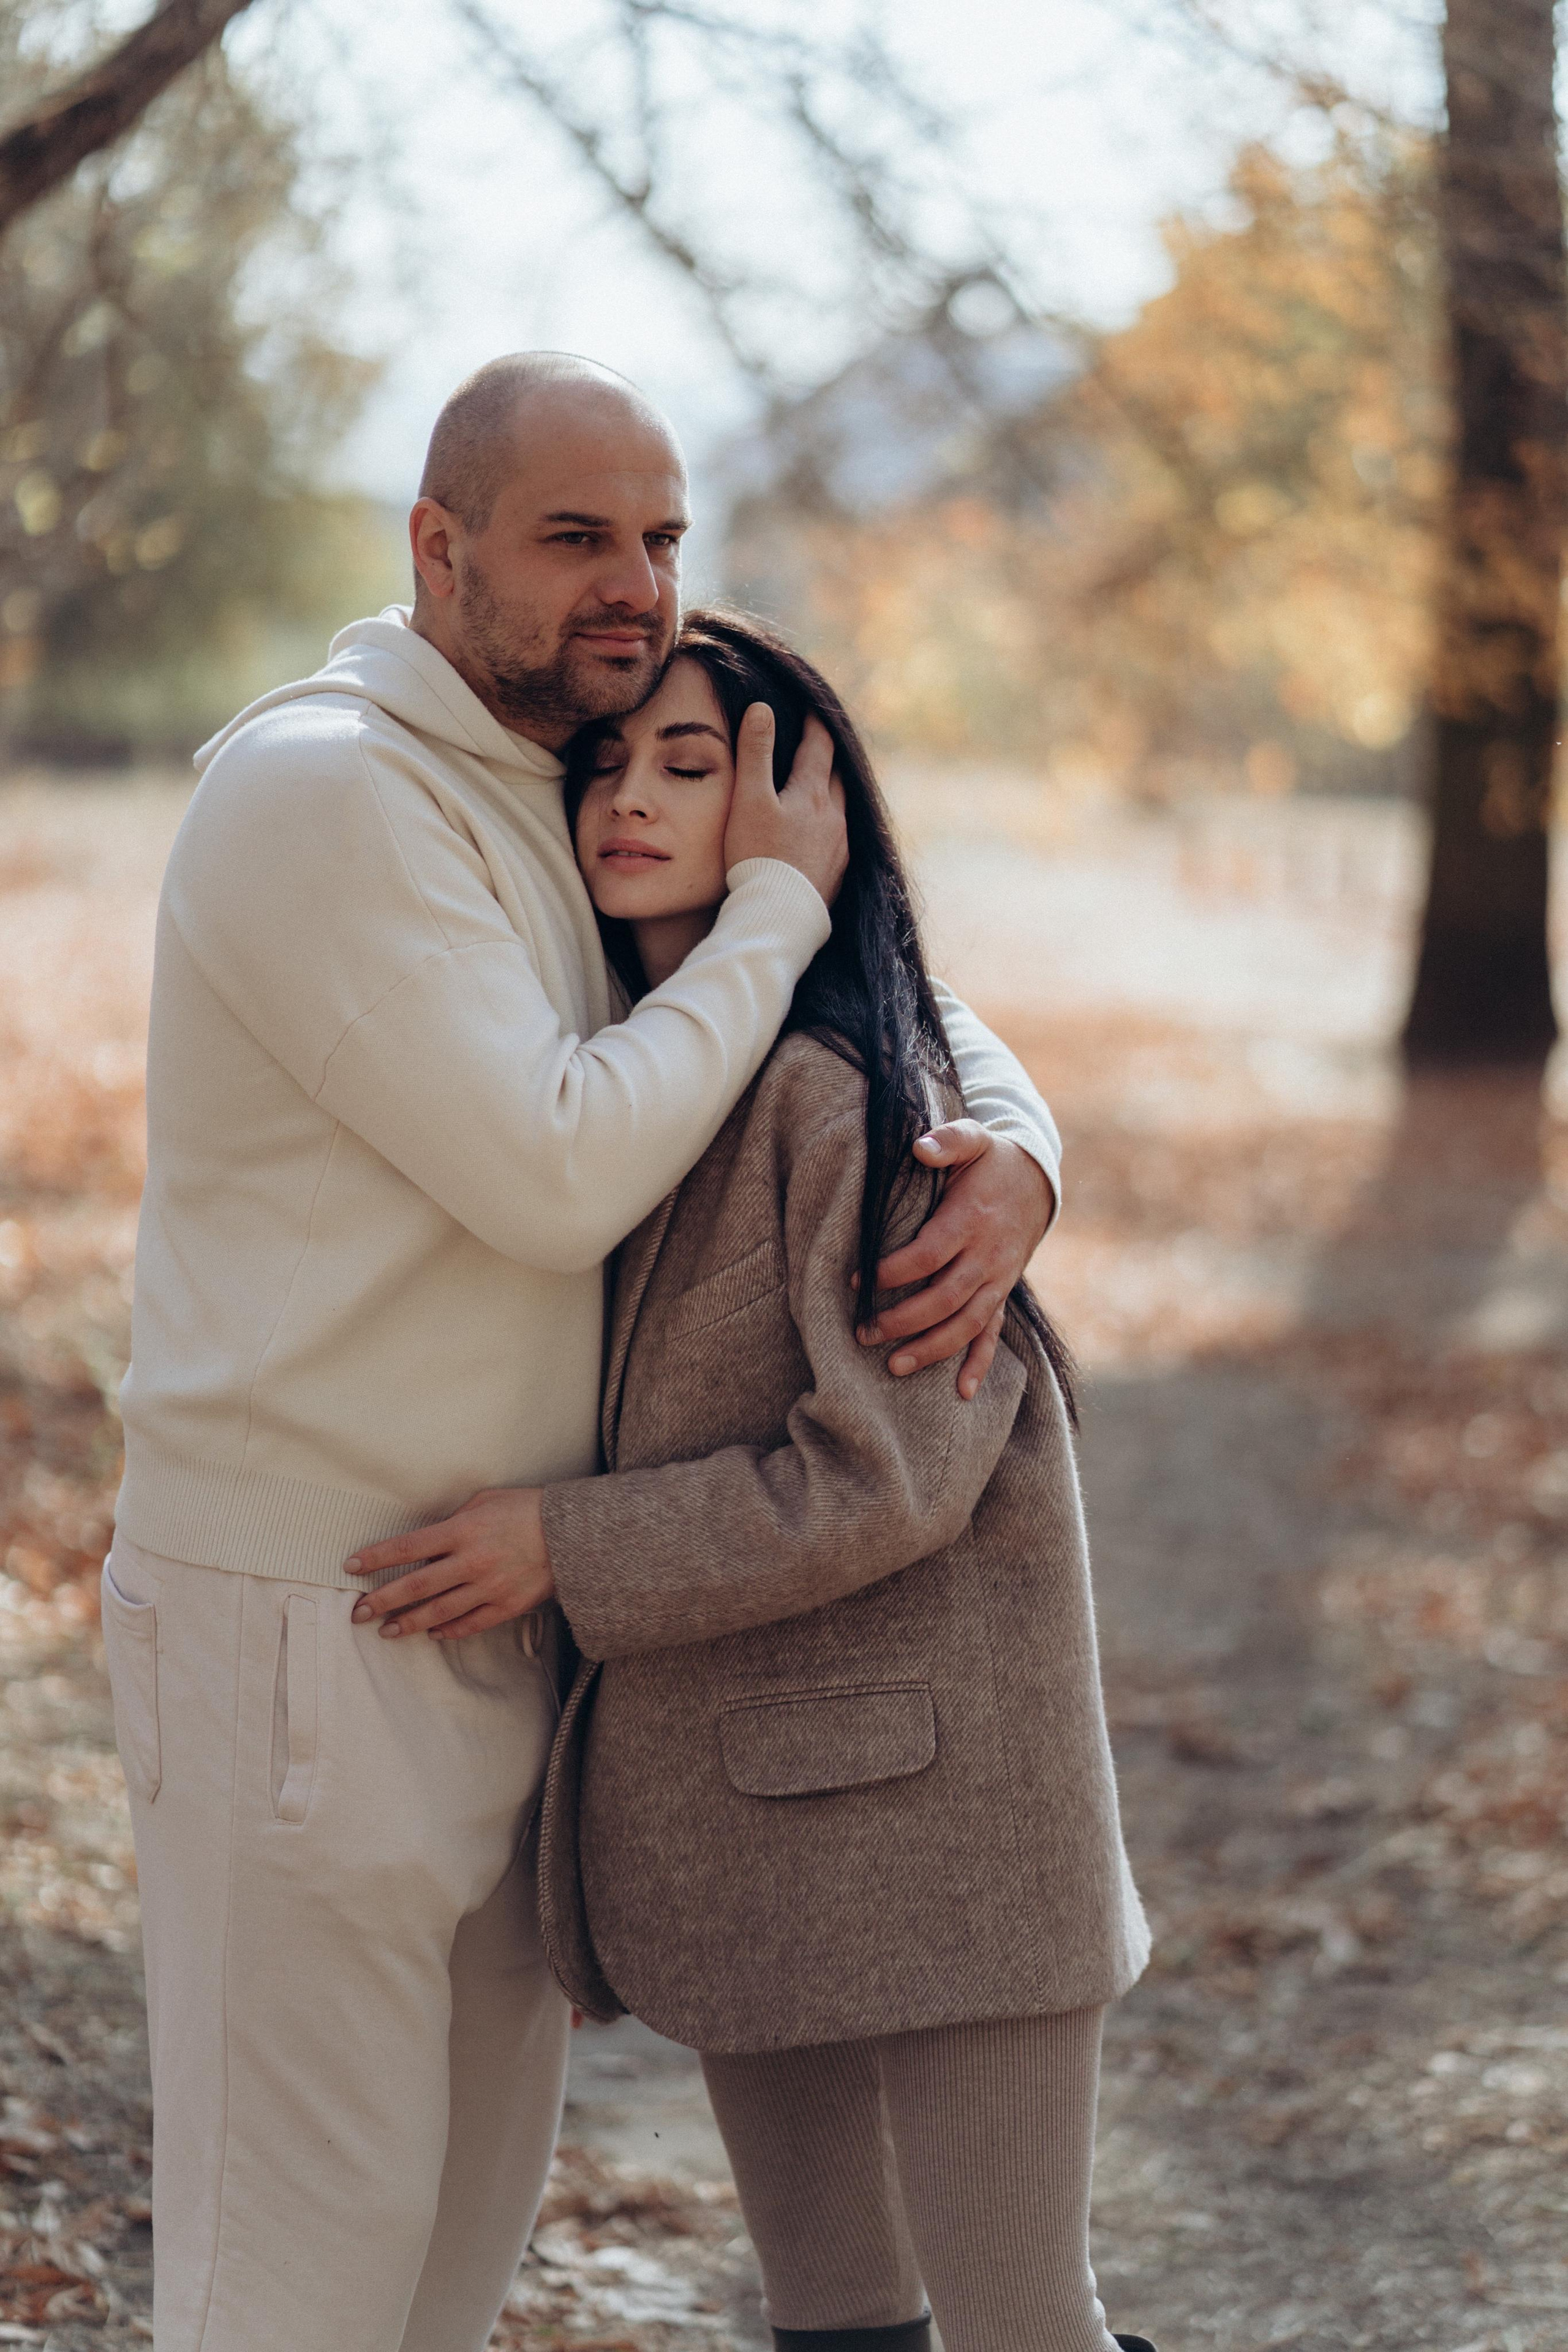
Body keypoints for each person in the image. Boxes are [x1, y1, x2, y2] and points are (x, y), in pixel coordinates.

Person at [100, 355, 1066, 2352]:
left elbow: (864, 963)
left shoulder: (545, 770)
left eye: (662, 535)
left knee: (446, 2276)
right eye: (575, 537)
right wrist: (777, 925)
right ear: (438, 547)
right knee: (293, 2283)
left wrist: (1024, 1149)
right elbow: (560, 1166)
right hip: (312, 1618)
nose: (633, 581)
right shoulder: (326, 792)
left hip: (524, 1623)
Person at [349, 609, 1156, 2352]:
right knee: (834, 2324)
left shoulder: (861, 1105)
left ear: (802, 811)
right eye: (606, 766)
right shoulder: (624, 1082)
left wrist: (559, 1544)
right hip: (737, 1831)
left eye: (690, 763)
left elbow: (885, 1476)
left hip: (956, 1833)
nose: (629, 798)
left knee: (1026, 2321)